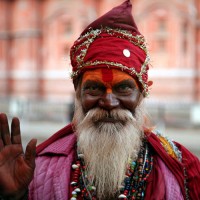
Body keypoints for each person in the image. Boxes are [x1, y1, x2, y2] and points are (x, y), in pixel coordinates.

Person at [0, 0, 199, 199]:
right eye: (94, 88)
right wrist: (16, 196)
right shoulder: (39, 170)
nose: (109, 102)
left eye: (124, 88)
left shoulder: (182, 170)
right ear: (78, 94)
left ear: (142, 94)